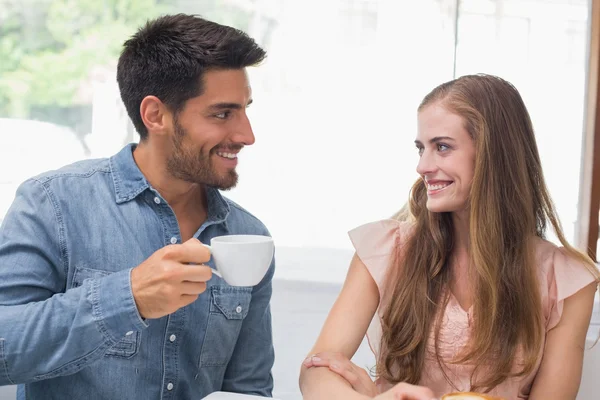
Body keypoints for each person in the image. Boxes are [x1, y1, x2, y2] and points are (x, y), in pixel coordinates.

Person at [0, 14, 275, 399]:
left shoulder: (249, 237)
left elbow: (248, 389)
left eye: (245, 109)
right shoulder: (52, 204)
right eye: (222, 113)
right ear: (155, 115)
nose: (247, 134)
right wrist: (128, 298)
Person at [299, 74, 600, 400]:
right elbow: (315, 371)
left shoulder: (566, 280)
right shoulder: (387, 249)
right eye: (420, 149)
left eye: (442, 147)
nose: (423, 166)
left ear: (493, 155)